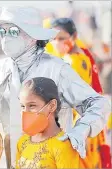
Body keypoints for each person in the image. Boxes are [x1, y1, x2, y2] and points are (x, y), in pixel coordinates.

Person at [0, 6, 110, 167]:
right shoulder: (2, 67)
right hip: (15, 156)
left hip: (52, 156)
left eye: (12, 31)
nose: (6, 38)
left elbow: (98, 103)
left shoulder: (56, 69)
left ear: (33, 36)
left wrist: (80, 130)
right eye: (2, 32)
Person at [47, 18, 111, 168]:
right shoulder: (81, 56)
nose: (57, 42)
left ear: (74, 37)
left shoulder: (72, 61)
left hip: (80, 124)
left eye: (61, 38)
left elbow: (75, 98)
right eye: (54, 38)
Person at [17, 77, 85, 168]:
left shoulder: (64, 145)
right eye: (22, 106)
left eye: (32, 105)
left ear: (52, 106)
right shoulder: (23, 141)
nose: (25, 112)